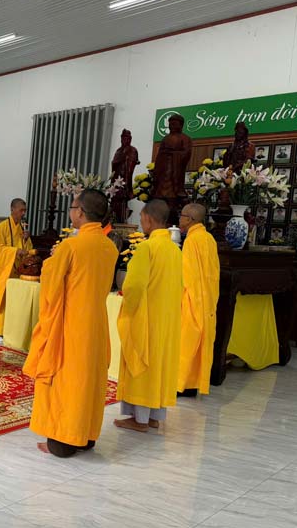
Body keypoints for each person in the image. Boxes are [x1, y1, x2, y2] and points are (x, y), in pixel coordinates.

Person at [23, 190, 118, 457]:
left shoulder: (71, 247)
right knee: (89, 380)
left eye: (73, 207)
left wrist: (53, 260)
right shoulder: (109, 247)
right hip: (96, 325)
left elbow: (51, 287)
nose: (71, 212)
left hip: (70, 326)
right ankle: (86, 435)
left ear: (80, 213)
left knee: (67, 380)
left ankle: (63, 440)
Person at [115, 200, 182, 432]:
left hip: (147, 318)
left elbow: (134, 286)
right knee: (159, 368)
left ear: (149, 220)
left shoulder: (147, 248)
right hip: (167, 320)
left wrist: (127, 310)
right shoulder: (175, 250)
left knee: (142, 367)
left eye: (142, 218)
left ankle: (139, 419)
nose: (141, 222)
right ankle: (153, 417)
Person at [177, 203, 220, 397]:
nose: (179, 219)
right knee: (202, 343)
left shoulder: (192, 240)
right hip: (208, 298)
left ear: (189, 219)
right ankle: (194, 383)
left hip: (193, 298)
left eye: (182, 215)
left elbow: (188, 275)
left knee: (186, 342)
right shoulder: (209, 239)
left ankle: (182, 384)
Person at [0, 198, 32, 343]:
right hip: (3, 270)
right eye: (21, 210)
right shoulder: (2, 227)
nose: (23, 213)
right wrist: (15, 251)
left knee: (13, 302)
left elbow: (27, 250)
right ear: (12, 209)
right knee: (1, 300)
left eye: (24, 210)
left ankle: (8, 330)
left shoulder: (21, 228)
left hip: (16, 271)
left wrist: (26, 239)